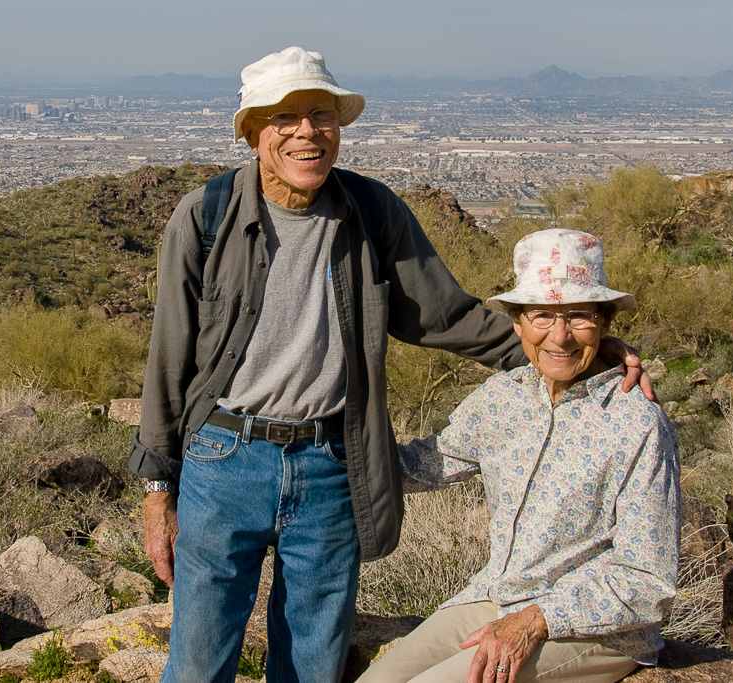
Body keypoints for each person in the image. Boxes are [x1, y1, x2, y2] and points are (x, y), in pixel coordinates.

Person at [129, 47, 652, 683]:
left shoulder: (372, 216)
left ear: (339, 127)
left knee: (312, 659)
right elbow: (168, 357)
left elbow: (449, 317)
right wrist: (159, 487)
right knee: (198, 656)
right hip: (222, 456)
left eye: (320, 114)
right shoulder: (206, 218)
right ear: (252, 132)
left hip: (330, 462)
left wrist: (577, 354)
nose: (306, 132)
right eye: (284, 117)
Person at [357, 229, 681, 683]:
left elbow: (648, 579)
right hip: (498, 596)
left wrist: (536, 620)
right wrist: (327, 443)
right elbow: (424, 466)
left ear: (605, 325)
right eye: (542, 316)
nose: (561, 336)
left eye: (580, 317)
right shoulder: (503, 398)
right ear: (517, 323)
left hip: (594, 629)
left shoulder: (637, 424)